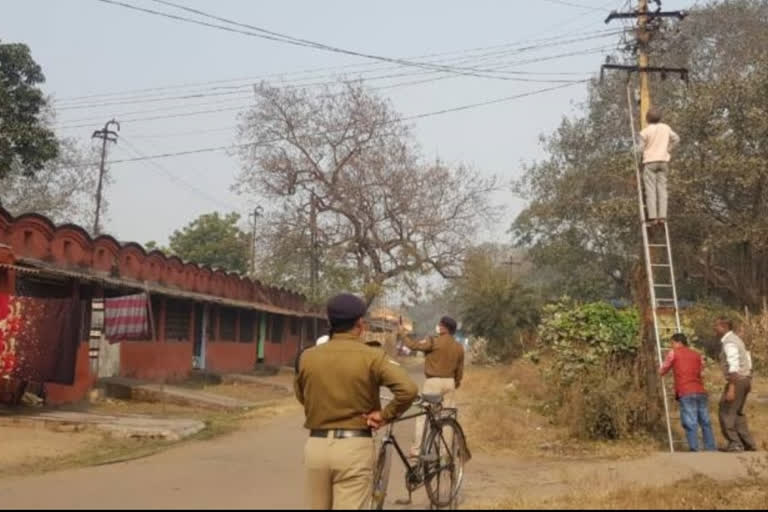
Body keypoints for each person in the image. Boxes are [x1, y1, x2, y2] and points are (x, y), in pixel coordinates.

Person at [294, 293, 418, 509]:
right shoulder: (371, 356)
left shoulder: (308, 357)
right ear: (360, 324)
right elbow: (408, 390)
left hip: (316, 447)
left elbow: (302, 395)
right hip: (354, 447)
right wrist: (384, 415)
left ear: (330, 323)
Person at [400, 316, 464, 457]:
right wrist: (454, 383)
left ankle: (416, 451)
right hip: (450, 383)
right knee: (447, 418)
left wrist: (402, 334)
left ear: (442, 327)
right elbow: (459, 373)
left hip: (433, 383)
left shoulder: (433, 341)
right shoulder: (459, 347)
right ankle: (444, 455)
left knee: (423, 416)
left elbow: (413, 346)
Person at [659, 333, 716, 452]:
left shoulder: (674, 353)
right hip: (700, 390)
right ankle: (710, 447)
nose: (671, 346)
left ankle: (694, 448)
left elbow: (663, 369)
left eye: (672, 343)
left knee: (690, 421)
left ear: (677, 342)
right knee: (705, 421)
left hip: (685, 390)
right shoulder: (697, 355)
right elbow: (701, 370)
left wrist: (660, 372)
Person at [714, 317, 757, 452]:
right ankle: (747, 442)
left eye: (716, 326)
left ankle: (735, 443)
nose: (714, 329)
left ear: (723, 326)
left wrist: (732, 388)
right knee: (737, 412)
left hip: (736, 380)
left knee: (725, 410)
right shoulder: (737, 339)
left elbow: (733, 365)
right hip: (744, 378)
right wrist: (748, 378)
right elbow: (748, 360)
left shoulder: (729, 342)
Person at [639, 108, 680, 225]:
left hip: (650, 162)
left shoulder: (645, 132)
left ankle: (653, 218)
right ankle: (662, 216)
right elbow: (676, 139)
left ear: (647, 119)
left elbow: (640, 149)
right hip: (663, 161)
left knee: (650, 190)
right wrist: (668, 149)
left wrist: (640, 158)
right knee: (662, 189)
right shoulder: (666, 128)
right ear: (660, 118)